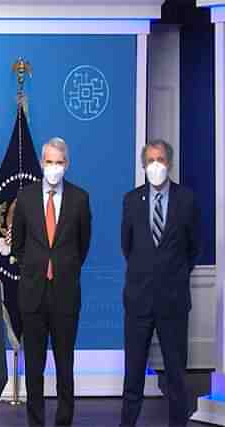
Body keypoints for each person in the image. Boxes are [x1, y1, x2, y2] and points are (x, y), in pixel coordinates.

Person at [120, 140, 201, 427]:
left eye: (161, 159)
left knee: (176, 373)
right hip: (138, 300)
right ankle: (127, 423)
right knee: (133, 372)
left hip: (173, 301)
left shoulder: (187, 199)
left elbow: (193, 248)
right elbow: (127, 246)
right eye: (151, 160)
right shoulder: (131, 200)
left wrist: (172, 274)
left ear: (170, 163)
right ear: (143, 165)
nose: (156, 165)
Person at [11, 137, 92, 426]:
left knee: (65, 366)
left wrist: (62, 268)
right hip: (32, 295)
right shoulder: (26, 197)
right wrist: (36, 266)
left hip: (65, 295)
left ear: (66, 164)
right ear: (42, 162)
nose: (54, 167)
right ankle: (36, 422)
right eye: (49, 161)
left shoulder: (80, 199)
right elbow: (18, 245)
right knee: (34, 368)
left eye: (59, 162)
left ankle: (64, 421)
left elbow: (83, 246)